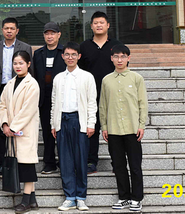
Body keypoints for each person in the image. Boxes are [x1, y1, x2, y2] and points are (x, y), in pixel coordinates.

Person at [100, 45, 148, 212]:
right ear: (111, 58)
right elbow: (103, 105)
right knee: (119, 166)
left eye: (123, 56)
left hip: (132, 129)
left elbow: (142, 103)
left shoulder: (136, 78)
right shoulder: (106, 80)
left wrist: (141, 125)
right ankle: (124, 197)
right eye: (116, 56)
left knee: (135, 166)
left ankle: (137, 198)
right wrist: (104, 126)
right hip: (113, 130)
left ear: (128, 58)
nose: (119, 60)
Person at [51, 42, 97, 212]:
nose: (70, 57)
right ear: (62, 56)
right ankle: (69, 197)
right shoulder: (58, 78)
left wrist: (91, 123)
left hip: (79, 121)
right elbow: (54, 103)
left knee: (81, 160)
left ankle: (81, 197)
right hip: (62, 120)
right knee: (65, 160)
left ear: (79, 56)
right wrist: (54, 124)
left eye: (73, 54)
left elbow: (92, 102)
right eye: (67, 54)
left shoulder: (87, 77)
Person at [79, 12, 123, 174]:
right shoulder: (84, 47)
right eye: (96, 23)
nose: (99, 25)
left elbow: (123, 68)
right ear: (91, 26)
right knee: (92, 128)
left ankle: (117, 162)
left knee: (114, 130)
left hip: (112, 95)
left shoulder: (116, 45)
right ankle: (91, 161)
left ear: (108, 25)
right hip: (90, 95)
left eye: (102, 22)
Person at [0, 51, 40, 214]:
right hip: (11, 130)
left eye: (21, 63)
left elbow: (28, 109)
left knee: (27, 166)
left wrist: (13, 127)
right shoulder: (9, 84)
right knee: (21, 163)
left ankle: (25, 201)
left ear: (28, 64)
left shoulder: (32, 84)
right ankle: (33, 200)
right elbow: (2, 105)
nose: (18, 66)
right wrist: (4, 124)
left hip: (25, 130)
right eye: (15, 63)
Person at [0, 18, 32, 175]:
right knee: (3, 127)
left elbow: (30, 70)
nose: (9, 31)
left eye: (12, 28)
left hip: (19, 88)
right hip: (1, 89)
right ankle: (3, 164)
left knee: (18, 126)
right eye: (6, 28)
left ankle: (19, 161)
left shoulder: (26, 47)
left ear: (17, 30)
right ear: (2, 30)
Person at [32, 22, 66, 174]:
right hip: (44, 97)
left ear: (59, 35)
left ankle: (64, 161)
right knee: (47, 131)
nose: (50, 36)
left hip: (62, 97)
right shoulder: (38, 53)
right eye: (47, 33)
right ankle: (49, 162)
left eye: (53, 33)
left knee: (62, 131)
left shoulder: (65, 52)